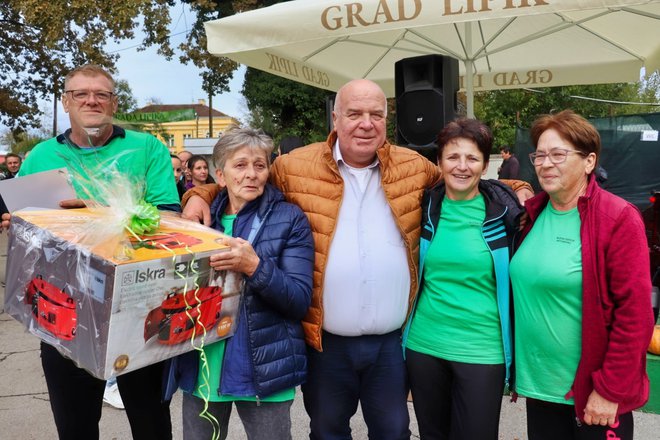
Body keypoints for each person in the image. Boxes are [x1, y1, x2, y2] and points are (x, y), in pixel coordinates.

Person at [181, 79, 442, 439]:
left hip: (389, 341)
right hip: (325, 340)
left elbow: (464, 184)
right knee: (327, 430)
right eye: (354, 114)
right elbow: (245, 178)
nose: (366, 123)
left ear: (387, 119)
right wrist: (198, 194)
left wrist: (521, 189)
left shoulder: (414, 167)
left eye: (376, 114)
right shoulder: (295, 166)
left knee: (394, 430)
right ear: (335, 118)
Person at [1, 64, 178, 440]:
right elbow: (28, 229)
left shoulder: (147, 148)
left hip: (137, 307)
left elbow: (169, 219)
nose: (91, 100)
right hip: (63, 308)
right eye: (80, 94)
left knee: (152, 425)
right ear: (66, 102)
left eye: (101, 94)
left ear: (114, 102)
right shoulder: (40, 156)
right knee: (76, 427)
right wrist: (16, 226)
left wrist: (94, 213)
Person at [510, 110, 653, 440]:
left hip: (594, 395)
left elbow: (635, 315)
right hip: (541, 388)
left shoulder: (617, 218)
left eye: (559, 154)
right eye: (540, 155)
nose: (546, 163)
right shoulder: (532, 214)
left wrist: (610, 390)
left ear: (589, 162)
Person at [164, 127, 314, 439]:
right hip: (203, 370)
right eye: (240, 165)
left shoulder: (290, 218)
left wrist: (255, 267)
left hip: (264, 370)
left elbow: (299, 299)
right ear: (220, 175)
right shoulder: (198, 222)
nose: (251, 174)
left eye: (259, 165)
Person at [402, 119, 522, 440]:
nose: (462, 167)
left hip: (483, 350)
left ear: (485, 165)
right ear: (439, 161)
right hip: (424, 346)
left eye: (472, 158)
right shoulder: (426, 206)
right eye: (453, 157)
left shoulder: (504, 213)